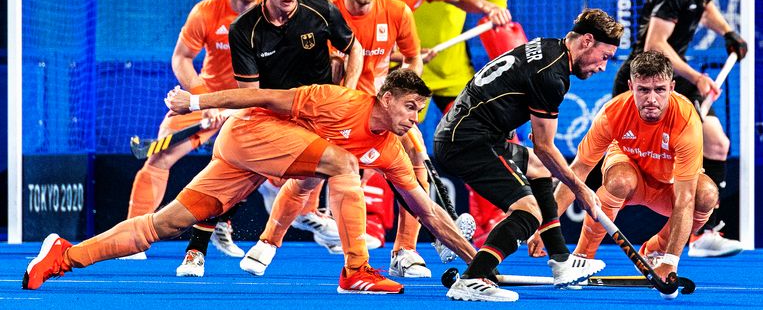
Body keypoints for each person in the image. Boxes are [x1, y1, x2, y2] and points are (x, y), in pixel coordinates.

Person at [23, 70, 476, 295]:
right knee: (342, 164)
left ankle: (64, 255)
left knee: (163, 225)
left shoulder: (392, 150)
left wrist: (479, 260)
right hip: (247, 133)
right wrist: (196, 102)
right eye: (410, 107)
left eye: (420, 111)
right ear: (386, 98)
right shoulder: (337, 101)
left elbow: (428, 213)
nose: (415, 118)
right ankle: (356, 269)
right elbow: (262, 95)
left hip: (251, 164)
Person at [251, 0, 435, 278]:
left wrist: (404, 96)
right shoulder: (320, 13)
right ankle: (268, 242)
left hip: (380, 109)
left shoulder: (398, 12)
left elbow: (412, 59)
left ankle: (405, 251)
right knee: (307, 178)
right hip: (333, 109)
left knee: (413, 158)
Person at [175, 0, 364, 276]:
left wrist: (346, 91)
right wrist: (211, 104)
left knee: (325, 171)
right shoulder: (244, 30)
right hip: (271, 114)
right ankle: (197, 248)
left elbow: (354, 48)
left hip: (319, 113)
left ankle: (306, 236)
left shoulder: (320, 11)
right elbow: (252, 94)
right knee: (233, 182)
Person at [434, 8, 623, 302]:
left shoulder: (548, 47)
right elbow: (545, 147)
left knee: (538, 168)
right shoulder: (552, 75)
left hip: (469, 134)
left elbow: (540, 148)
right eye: (604, 56)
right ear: (587, 41)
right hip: (469, 142)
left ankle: (561, 261)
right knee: (528, 211)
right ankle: (473, 278)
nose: (602, 67)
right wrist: (580, 188)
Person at [611, 0, 747, 258]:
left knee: (717, 144)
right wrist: (697, 78)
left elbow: (705, 7)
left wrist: (728, 32)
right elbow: (655, 45)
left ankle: (701, 234)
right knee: (627, 167)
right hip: (646, 82)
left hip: (675, 79)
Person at [123, 0, 267, 264]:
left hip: (251, 101)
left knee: (271, 165)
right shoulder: (207, 11)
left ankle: (222, 223)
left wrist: (241, 106)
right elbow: (181, 58)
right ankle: (132, 237)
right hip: (206, 99)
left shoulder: (272, 13)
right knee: (160, 156)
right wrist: (204, 99)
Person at [547, 50, 719, 285]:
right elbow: (578, 171)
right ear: (631, 87)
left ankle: (657, 249)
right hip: (629, 171)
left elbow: (685, 198)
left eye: (660, 90)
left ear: (672, 87)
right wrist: (547, 225)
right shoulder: (612, 113)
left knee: (706, 195)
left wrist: (670, 262)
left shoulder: (686, 119)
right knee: (620, 180)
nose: (651, 99)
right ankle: (582, 257)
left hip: (668, 184)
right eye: (643, 90)